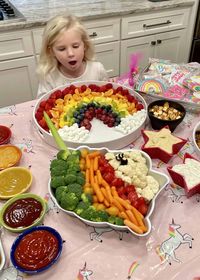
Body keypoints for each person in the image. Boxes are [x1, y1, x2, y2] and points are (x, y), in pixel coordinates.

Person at [37, 14, 108, 97]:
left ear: (85, 45)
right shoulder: (49, 77)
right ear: (51, 51)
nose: (70, 54)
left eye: (75, 46)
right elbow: (41, 102)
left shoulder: (97, 70)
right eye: (62, 49)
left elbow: (107, 95)